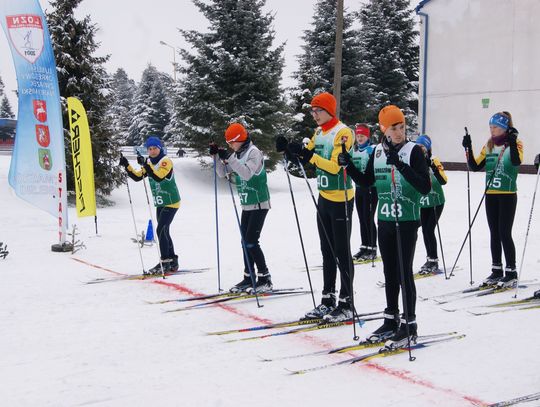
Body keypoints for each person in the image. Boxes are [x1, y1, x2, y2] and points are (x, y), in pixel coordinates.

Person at [338, 105, 430, 347]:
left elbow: (424, 187)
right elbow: (367, 181)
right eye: (393, 128)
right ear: (383, 129)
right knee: (389, 273)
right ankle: (391, 320)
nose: (399, 132)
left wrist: (400, 165)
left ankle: (410, 325)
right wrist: (349, 166)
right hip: (386, 221)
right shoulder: (377, 151)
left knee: (403, 273)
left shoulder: (414, 151)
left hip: (407, 221)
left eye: (401, 127)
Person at [276, 92, 355, 323]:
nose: (314, 114)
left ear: (329, 110)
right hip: (324, 198)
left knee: (341, 251)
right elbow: (305, 157)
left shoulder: (343, 132)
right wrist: (289, 150)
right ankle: (327, 299)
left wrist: (309, 156)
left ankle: (347, 302)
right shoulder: (319, 132)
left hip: (341, 198)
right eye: (312, 111)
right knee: (326, 250)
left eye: (318, 110)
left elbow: (335, 168)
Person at [462, 112, 523, 287]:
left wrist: (511, 140)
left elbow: (516, 161)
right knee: (494, 233)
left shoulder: (516, 143)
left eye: (495, 127)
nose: (492, 130)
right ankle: (497, 270)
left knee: (504, 232)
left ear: (504, 127)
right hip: (491, 195)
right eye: (490, 127)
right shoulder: (488, 146)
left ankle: (511, 271)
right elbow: (475, 166)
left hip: (507, 195)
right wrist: (468, 148)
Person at [210, 123, 272, 293]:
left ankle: (265, 278)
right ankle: (248, 277)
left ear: (239, 139)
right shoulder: (238, 153)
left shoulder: (254, 152)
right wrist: (216, 156)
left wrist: (230, 157)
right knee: (245, 242)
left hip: (259, 203)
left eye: (231, 142)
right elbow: (222, 173)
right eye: (228, 143)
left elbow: (246, 173)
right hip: (246, 204)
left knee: (251, 241)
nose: (230, 145)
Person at [120, 136, 181, 274]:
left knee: (160, 230)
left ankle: (165, 262)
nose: (152, 151)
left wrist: (146, 165)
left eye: (155, 148)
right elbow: (137, 177)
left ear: (160, 149)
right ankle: (172, 260)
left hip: (171, 202)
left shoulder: (165, 161)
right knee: (164, 231)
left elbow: (159, 176)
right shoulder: (149, 162)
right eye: (150, 149)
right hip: (160, 202)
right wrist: (126, 165)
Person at [415, 135, 447, 274]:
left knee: (429, 229)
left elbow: (443, 180)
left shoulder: (434, 160)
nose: (421, 149)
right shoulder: (414, 161)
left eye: (423, 146)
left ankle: (433, 260)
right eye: (418, 146)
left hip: (436, 200)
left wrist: (433, 167)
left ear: (428, 148)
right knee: (424, 231)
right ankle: (429, 259)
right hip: (423, 202)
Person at [350, 123, 378, 262]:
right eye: (358, 136)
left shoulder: (372, 149)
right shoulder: (354, 151)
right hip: (359, 189)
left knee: (368, 218)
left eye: (362, 136)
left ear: (368, 136)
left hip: (371, 189)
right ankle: (364, 246)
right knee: (361, 218)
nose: (360, 138)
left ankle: (372, 247)